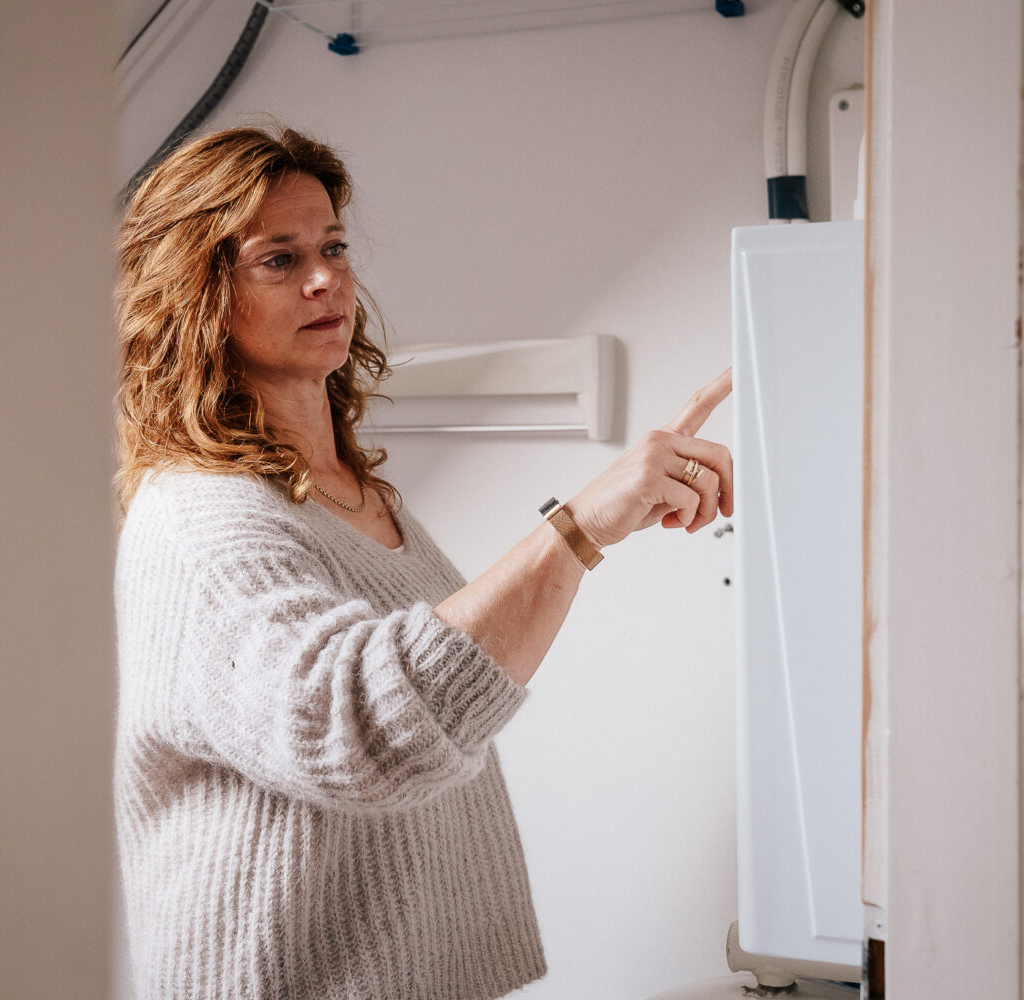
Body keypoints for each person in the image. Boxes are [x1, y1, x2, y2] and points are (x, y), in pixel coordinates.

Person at [113, 124, 733, 1000]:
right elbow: (360, 729)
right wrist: (582, 524)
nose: (327, 277)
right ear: (196, 292)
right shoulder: (198, 517)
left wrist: (593, 530)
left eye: (332, 246)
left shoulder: (354, 492)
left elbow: (437, 694)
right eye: (278, 260)